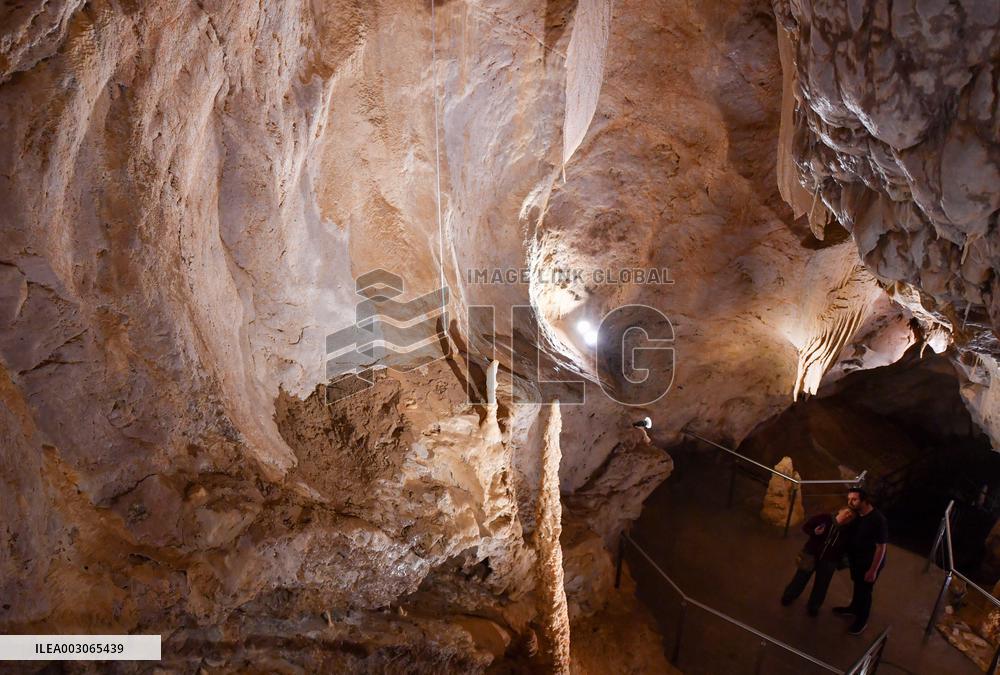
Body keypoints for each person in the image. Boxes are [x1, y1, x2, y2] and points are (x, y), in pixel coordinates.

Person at [834, 487, 888, 635]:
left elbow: (881, 547)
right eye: (849, 499)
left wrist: (873, 570)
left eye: (854, 499)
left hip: (869, 563)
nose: (850, 502)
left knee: (865, 592)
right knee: (858, 586)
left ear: (864, 501)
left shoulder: (878, 520)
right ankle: (853, 608)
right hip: (857, 560)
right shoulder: (857, 513)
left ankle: (861, 621)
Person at [781, 507, 855, 616]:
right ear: (840, 510)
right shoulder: (824, 518)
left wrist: (841, 561)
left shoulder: (848, 530)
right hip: (811, 555)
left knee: (822, 585)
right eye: (847, 512)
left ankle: (814, 606)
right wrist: (814, 532)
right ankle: (789, 596)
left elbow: (847, 547)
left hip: (830, 561)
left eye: (851, 516)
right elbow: (806, 527)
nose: (848, 516)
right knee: (800, 578)